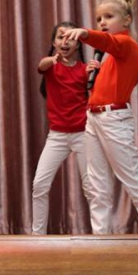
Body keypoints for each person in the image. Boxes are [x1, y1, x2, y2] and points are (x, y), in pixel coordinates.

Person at [63, 0, 138, 234]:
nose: (102, 22)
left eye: (109, 16)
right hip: (94, 118)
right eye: (99, 18)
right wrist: (95, 74)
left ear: (127, 20)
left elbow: (108, 41)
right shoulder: (110, 56)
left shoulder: (126, 45)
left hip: (114, 119)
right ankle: (101, 236)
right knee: (97, 183)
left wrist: (86, 33)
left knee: (133, 180)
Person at [31, 21, 97, 234]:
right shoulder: (50, 66)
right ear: (54, 43)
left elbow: (95, 93)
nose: (65, 42)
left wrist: (94, 71)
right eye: (60, 37)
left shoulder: (84, 70)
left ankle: (101, 233)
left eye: (70, 38)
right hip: (57, 136)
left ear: (78, 44)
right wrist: (53, 59)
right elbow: (42, 65)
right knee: (39, 185)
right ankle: (37, 234)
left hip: (83, 135)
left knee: (91, 188)